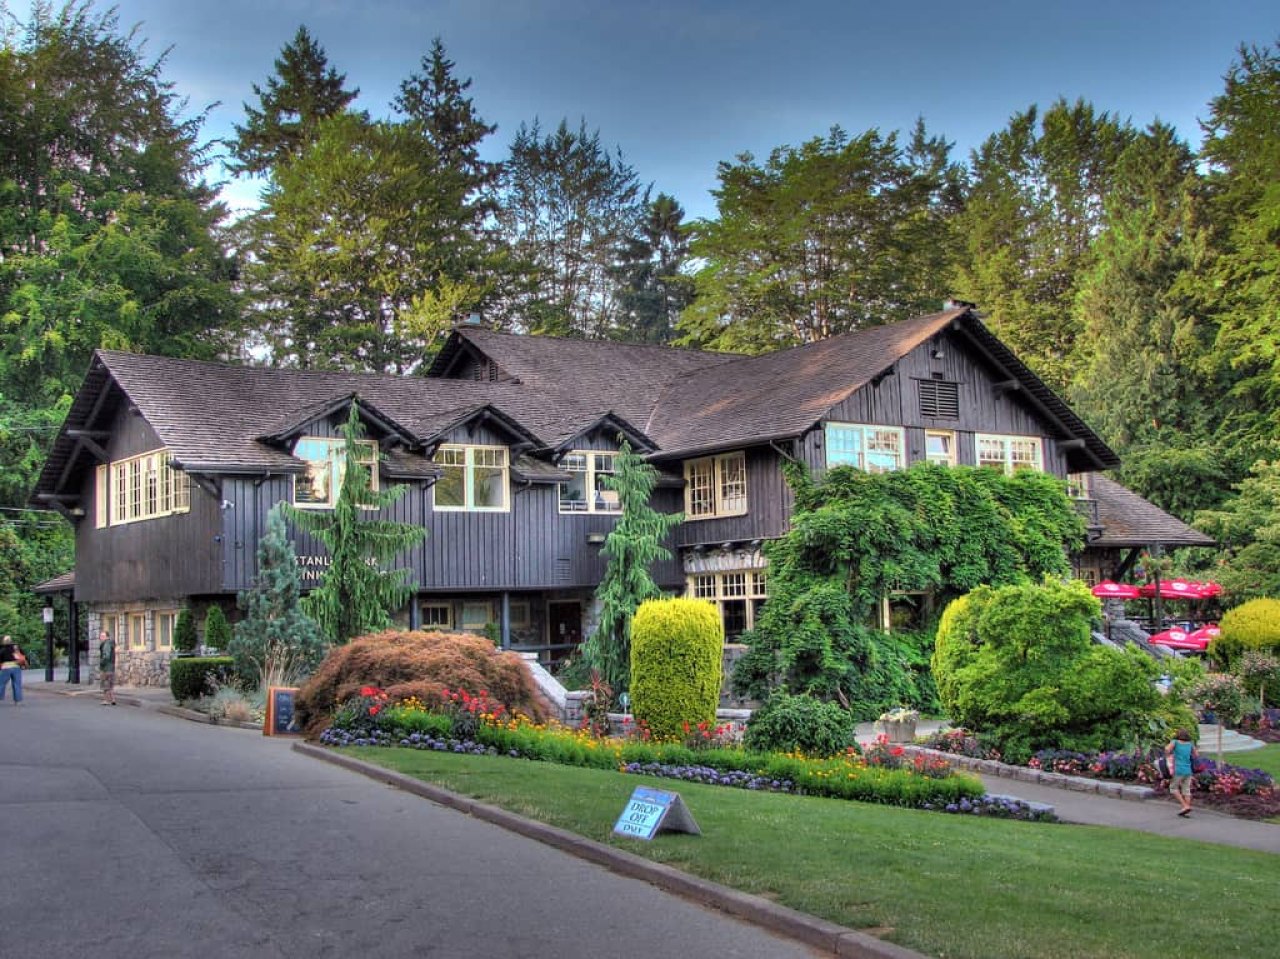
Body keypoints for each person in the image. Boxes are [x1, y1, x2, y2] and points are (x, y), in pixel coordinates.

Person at [1165, 727, 1199, 817]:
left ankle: (1185, 806)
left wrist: (1170, 754)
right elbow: (1196, 755)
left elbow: (1167, 749)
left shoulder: (1175, 742)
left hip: (1178, 769)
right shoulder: (1190, 744)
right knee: (1186, 790)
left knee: (1173, 788)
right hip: (1188, 770)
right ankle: (1187, 807)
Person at [0, 634, 26, 704]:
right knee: (17, 684)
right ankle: (18, 701)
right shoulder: (16, 647)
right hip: (16, 667)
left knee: (1, 683)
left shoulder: (2, 649)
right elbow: (23, 655)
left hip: (6, 668)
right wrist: (23, 665)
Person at [98, 628, 117, 705]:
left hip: (106, 667)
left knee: (105, 684)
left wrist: (101, 662)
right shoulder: (111, 644)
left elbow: (106, 656)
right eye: (100, 636)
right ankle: (113, 699)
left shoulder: (106, 644)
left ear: (107, 637)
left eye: (103, 636)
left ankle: (105, 700)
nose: (101, 637)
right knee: (110, 684)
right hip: (111, 667)